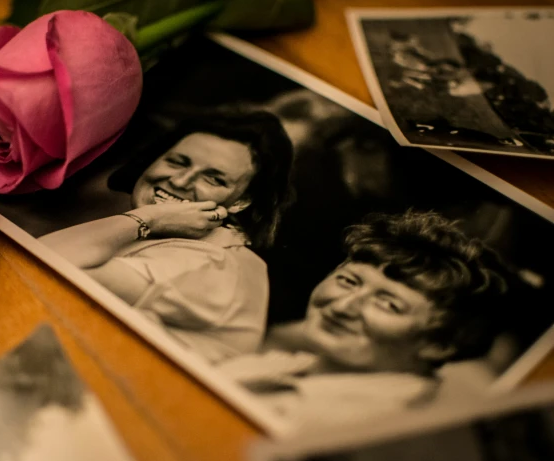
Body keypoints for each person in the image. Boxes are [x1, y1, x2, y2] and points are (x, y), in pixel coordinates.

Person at [40, 110, 296, 362]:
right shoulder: (206, 246)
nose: (181, 181)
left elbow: (41, 268)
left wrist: (150, 218)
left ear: (242, 201)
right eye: (177, 161)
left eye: (214, 179)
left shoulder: (207, 265)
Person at [219, 210, 512, 424]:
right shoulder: (295, 366)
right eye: (349, 281)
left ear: (439, 343)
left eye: (389, 304)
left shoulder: (369, 426)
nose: (344, 306)